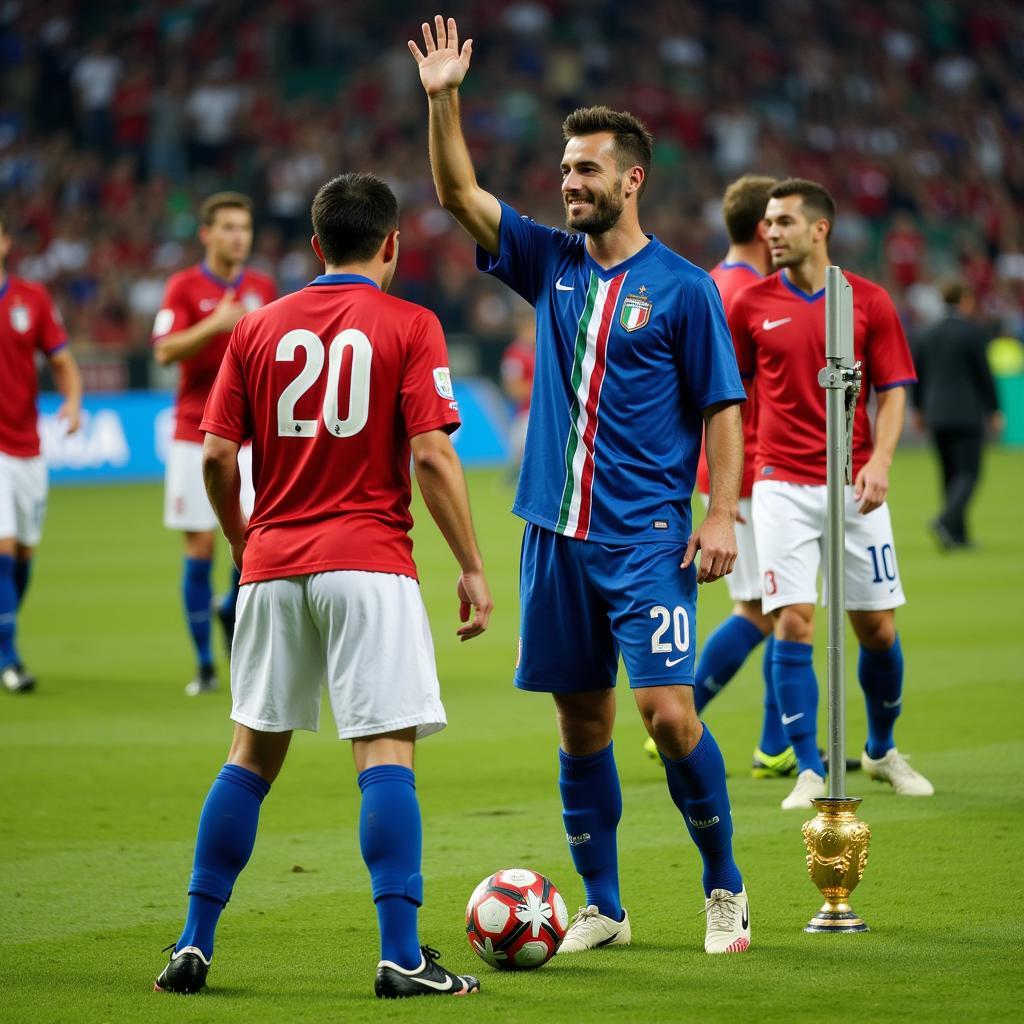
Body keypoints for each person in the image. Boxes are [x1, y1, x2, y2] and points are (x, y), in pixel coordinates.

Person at [411, 15, 751, 955]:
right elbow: (456, 191)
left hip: (645, 535)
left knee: (668, 714)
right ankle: (604, 906)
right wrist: (445, 101)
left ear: (631, 178)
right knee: (582, 719)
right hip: (551, 535)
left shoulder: (684, 288)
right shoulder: (550, 262)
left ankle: (724, 886)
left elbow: (724, 404)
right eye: (565, 168)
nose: (569, 182)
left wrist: (720, 510)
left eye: (587, 169)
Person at [153, 172, 492, 999]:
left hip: (272, 566)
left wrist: (245, 542)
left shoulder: (257, 327)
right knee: (384, 752)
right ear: (391, 245)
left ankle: (194, 943)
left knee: (248, 758)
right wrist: (473, 566)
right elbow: (433, 455)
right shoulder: (411, 323)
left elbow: (214, 458)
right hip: (369, 561)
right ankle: (402, 956)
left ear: (314, 247)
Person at [728, 178, 935, 809]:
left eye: (784, 221)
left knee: (875, 628)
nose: (772, 232)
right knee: (792, 620)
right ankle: (810, 770)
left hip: (855, 488)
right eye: (767, 222)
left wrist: (880, 460)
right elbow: (729, 398)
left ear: (820, 228)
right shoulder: (750, 304)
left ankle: (880, 749)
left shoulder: (867, 301)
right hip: (780, 485)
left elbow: (895, 387)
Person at [687, 175, 797, 778]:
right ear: (764, 228)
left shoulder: (707, 284)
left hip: (726, 471)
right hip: (752, 469)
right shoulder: (753, 296)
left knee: (762, 606)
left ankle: (688, 716)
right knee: (782, 607)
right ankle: (772, 742)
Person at [152, 192, 276, 696]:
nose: (237, 237)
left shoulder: (263, 287)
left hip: (252, 436)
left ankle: (231, 609)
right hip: (194, 433)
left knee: (252, 540)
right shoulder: (183, 287)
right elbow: (164, 352)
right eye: (227, 227)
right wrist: (214, 325)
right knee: (201, 544)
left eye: (243, 228)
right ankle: (204, 663)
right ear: (206, 234)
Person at [0, 216, 83, 693]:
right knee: (4, 550)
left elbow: (62, 361)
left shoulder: (30, 299)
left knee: (23, 556)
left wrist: (72, 403)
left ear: (7, 242)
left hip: (27, 446)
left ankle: (4, 634)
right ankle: (10, 659)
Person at [912, 278, 1003, 550]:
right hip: (966, 412)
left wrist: (918, 408)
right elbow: (983, 375)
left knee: (949, 475)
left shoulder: (927, 333)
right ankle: (946, 520)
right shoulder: (973, 332)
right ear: (965, 300)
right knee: (969, 473)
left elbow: (919, 374)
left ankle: (957, 537)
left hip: (936, 413)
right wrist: (994, 408)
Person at [500, 304, 536, 481]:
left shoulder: (538, 350)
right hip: (526, 414)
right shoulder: (515, 354)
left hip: (537, 412)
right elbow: (512, 387)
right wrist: (540, 390)